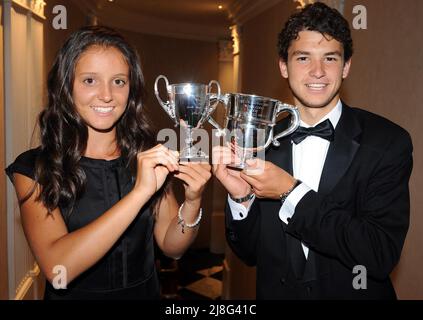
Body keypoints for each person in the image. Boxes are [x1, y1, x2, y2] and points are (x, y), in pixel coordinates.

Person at [213, 2, 413, 299]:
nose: (317, 72)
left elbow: (379, 254)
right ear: (284, 65)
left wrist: (290, 192)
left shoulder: (388, 142)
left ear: (346, 66)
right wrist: (240, 196)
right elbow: (250, 254)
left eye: (330, 58)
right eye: (303, 57)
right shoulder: (257, 140)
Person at [5, 26, 212, 300]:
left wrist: (193, 201)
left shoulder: (144, 154)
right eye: (90, 80)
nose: (106, 95)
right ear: (66, 86)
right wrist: (139, 194)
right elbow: (58, 269)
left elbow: (172, 246)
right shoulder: (34, 168)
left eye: (118, 81)